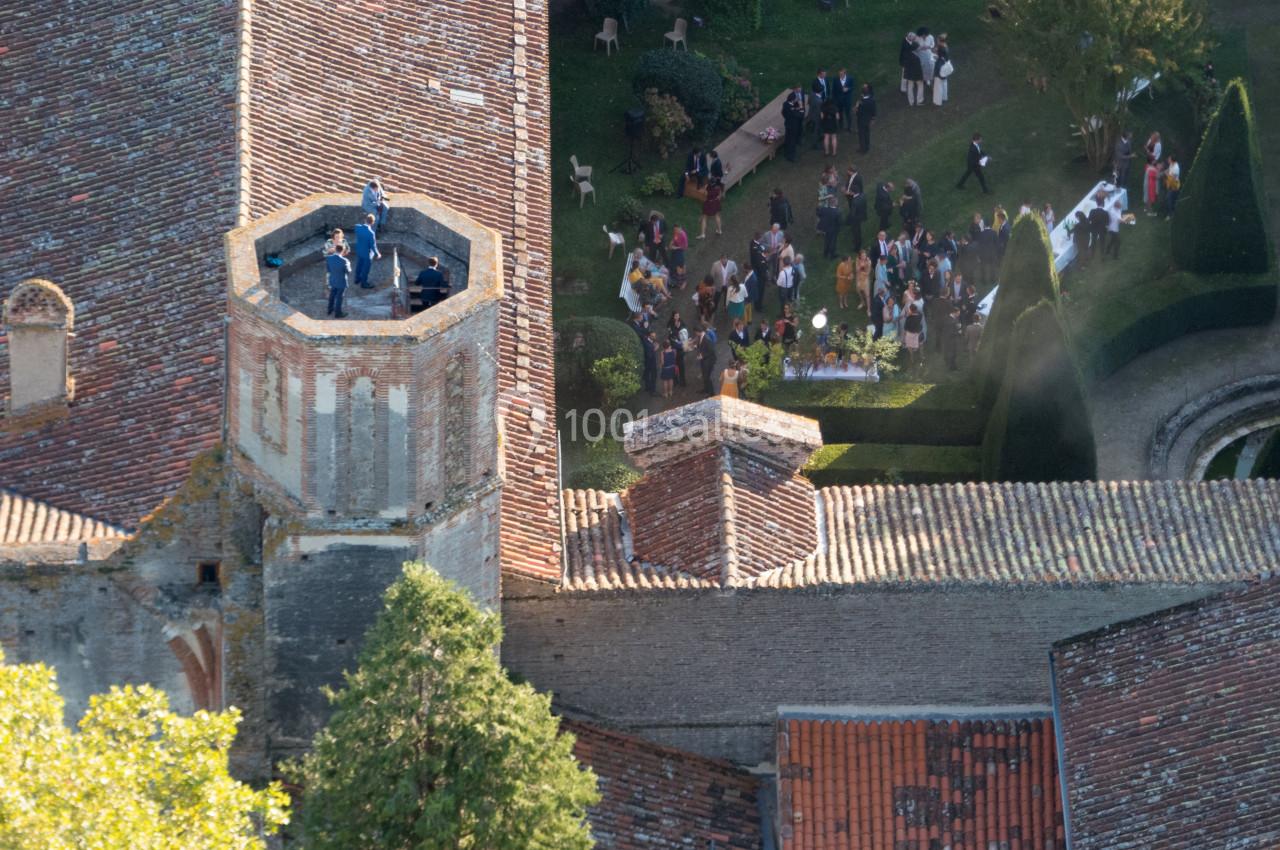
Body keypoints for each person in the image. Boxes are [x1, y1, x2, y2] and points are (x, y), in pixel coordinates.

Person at [354, 213, 381, 288]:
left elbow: (357, 226)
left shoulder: (357, 227)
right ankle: (364, 283)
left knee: (359, 265)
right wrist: (378, 254)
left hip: (359, 251)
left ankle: (357, 279)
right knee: (365, 269)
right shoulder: (371, 233)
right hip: (367, 254)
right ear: (372, 223)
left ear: (365, 220)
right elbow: (373, 246)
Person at [326, 243, 351, 318]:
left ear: (335, 249)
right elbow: (348, 271)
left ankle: (330, 310)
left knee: (332, 295)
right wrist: (349, 264)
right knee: (339, 297)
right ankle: (338, 313)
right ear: (342, 250)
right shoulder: (345, 260)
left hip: (332, 280)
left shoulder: (329, 258)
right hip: (341, 282)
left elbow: (328, 270)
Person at [782, 85, 806, 162]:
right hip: (793, 126)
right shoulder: (791, 109)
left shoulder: (785, 104)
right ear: (793, 100)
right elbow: (800, 115)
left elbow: (783, 112)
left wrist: (796, 109)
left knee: (787, 139)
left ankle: (786, 152)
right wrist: (801, 108)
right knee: (792, 141)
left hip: (787, 124)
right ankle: (791, 156)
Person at [900, 33, 924, 106]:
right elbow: (919, 67)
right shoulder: (916, 58)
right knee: (920, 85)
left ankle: (911, 102)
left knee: (910, 87)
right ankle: (919, 100)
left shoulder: (906, 53)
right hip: (916, 74)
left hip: (909, 73)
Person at [667, 312, 689, 386]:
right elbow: (670, 336)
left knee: (681, 366)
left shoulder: (682, 323)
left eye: (678, 316)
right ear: (673, 316)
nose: (677, 317)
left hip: (680, 349)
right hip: (674, 348)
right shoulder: (670, 325)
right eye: (676, 316)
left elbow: (685, 335)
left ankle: (683, 381)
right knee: (675, 365)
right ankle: (676, 381)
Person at [809, 69, 830, 146]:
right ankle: (815, 144)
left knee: (816, 129)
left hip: (812, 114)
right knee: (816, 130)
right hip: (816, 116)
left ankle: (820, 135)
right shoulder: (819, 101)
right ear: (820, 92)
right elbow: (819, 110)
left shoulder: (812, 95)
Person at [854, 84, 877, 153]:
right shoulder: (872, 99)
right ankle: (867, 146)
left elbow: (857, 112)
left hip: (861, 120)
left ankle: (862, 149)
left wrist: (856, 106)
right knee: (867, 133)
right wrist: (873, 118)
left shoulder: (861, 102)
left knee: (861, 135)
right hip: (868, 119)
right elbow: (874, 110)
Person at [696, 329, 717, 396]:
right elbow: (701, 346)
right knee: (704, 376)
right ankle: (706, 389)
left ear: (698, 332)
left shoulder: (707, 339)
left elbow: (711, 351)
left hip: (708, 361)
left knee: (707, 377)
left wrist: (703, 356)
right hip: (704, 361)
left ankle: (711, 393)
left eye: (696, 333)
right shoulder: (701, 337)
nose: (696, 335)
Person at [902, 303, 924, 368]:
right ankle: (922, 357)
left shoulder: (908, 319)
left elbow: (905, 329)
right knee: (921, 345)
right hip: (919, 333)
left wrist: (903, 338)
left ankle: (912, 360)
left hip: (910, 335)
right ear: (916, 309)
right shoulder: (920, 315)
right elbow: (919, 312)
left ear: (910, 310)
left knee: (910, 348)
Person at [835, 67, 856, 132]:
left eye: (841, 74)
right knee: (840, 113)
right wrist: (835, 100)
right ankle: (840, 127)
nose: (840, 76)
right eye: (839, 74)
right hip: (839, 100)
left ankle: (849, 127)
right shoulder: (836, 80)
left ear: (845, 73)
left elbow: (853, 87)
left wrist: (848, 89)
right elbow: (834, 90)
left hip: (847, 100)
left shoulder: (850, 79)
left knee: (848, 113)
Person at [932, 34, 951, 106]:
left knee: (938, 84)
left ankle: (937, 101)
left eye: (937, 40)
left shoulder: (940, 48)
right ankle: (944, 97)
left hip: (940, 66)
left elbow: (936, 54)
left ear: (939, 40)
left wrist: (935, 54)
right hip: (945, 66)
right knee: (944, 82)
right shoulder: (945, 46)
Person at [668, 224, 689, 289]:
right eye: (674, 230)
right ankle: (676, 280)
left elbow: (685, 247)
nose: (675, 231)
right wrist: (671, 243)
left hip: (679, 252)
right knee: (674, 266)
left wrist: (676, 248)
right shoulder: (676, 233)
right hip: (675, 252)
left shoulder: (683, 235)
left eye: (676, 229)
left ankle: (684, 281)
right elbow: (674, 239)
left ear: (680, 228)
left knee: (680, 267)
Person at [642, 332, 659, 396]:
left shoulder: (646, 340)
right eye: (653, 336)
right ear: (649, 336)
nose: (655, 337)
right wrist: (655, 348)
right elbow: (650, 355)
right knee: (653, 376)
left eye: (655, 336)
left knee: (647, 374)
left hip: (647, 362)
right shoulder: (648, 344)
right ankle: (652, 391)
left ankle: (647, 387)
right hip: (651, 362)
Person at [855, 249, 872, 314]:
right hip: (859, 278)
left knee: (867, 295)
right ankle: (862, 302)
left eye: (864, 255)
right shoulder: (857, 260)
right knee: (858, 291)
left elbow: (868, 273)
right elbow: (856, 270)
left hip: (865, 279)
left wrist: (864, 267)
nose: (863, 257)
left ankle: (869, 309)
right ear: (860, 256)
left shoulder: (868, 261)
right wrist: (860, 267)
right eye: (862, 256)